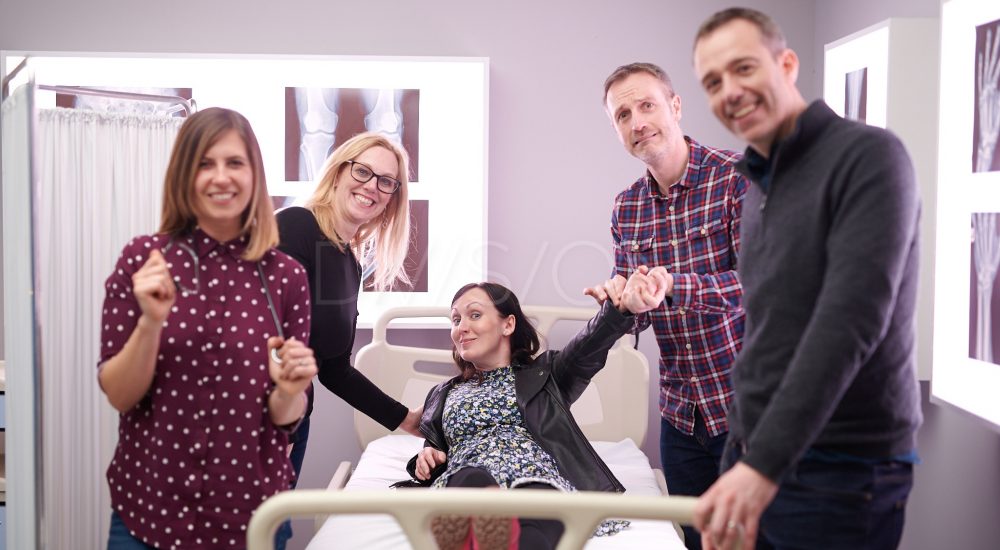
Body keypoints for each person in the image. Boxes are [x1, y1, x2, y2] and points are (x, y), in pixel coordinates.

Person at [691, 8, 922, 550]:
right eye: (712, 82)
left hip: (840, 468)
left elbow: (849, 322)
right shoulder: (756, 187)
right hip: (759, 453)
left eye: (743, 68)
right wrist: (737, 460)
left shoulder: (868, 157)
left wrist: (760, 467)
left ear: (787, 63)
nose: (730, 90)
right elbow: (765, 336)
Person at [97, 107, 318, 549]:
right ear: (184, 174)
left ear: (254, 174)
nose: (221, 177)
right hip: (150, 510)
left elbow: (285, 416)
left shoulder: (285, 276)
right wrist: (150, 322)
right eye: (204, 163)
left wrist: (291, 389)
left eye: (234, 163)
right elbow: (120, 395)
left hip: (252, 516)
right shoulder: (144, 261)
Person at [584, 61, 748, 549]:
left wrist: (674, 284)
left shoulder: (737, 179)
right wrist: (620, 307)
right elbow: (640, 315)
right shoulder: (625, 208)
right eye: (622, 115)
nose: (637, 122)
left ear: (675, 106)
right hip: (682, 419)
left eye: (647, 105)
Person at [410, 273, 668, 550]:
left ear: (508, 324)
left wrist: (618, 312)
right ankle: (485, 524)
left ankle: (494, 535)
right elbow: (434, 450)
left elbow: (586, 350)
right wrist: (427, 457)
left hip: (535, 473)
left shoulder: (546, 376)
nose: (461, 328)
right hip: (470, 472)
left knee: (540, 507)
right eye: (456, 320)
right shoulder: (444, 393)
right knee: (470, 482)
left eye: (474, 315)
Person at [273, 132, 421, 547]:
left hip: (295, 416)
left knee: (272, 532)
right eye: (363, 171)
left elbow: (334, 367)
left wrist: (405, 418)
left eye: (387, 181)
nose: (372, 186)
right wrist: (273, 430)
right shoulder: (295, 226)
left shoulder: (349, 260)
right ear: (339, 172)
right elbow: (265, 338)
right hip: (261, 415)